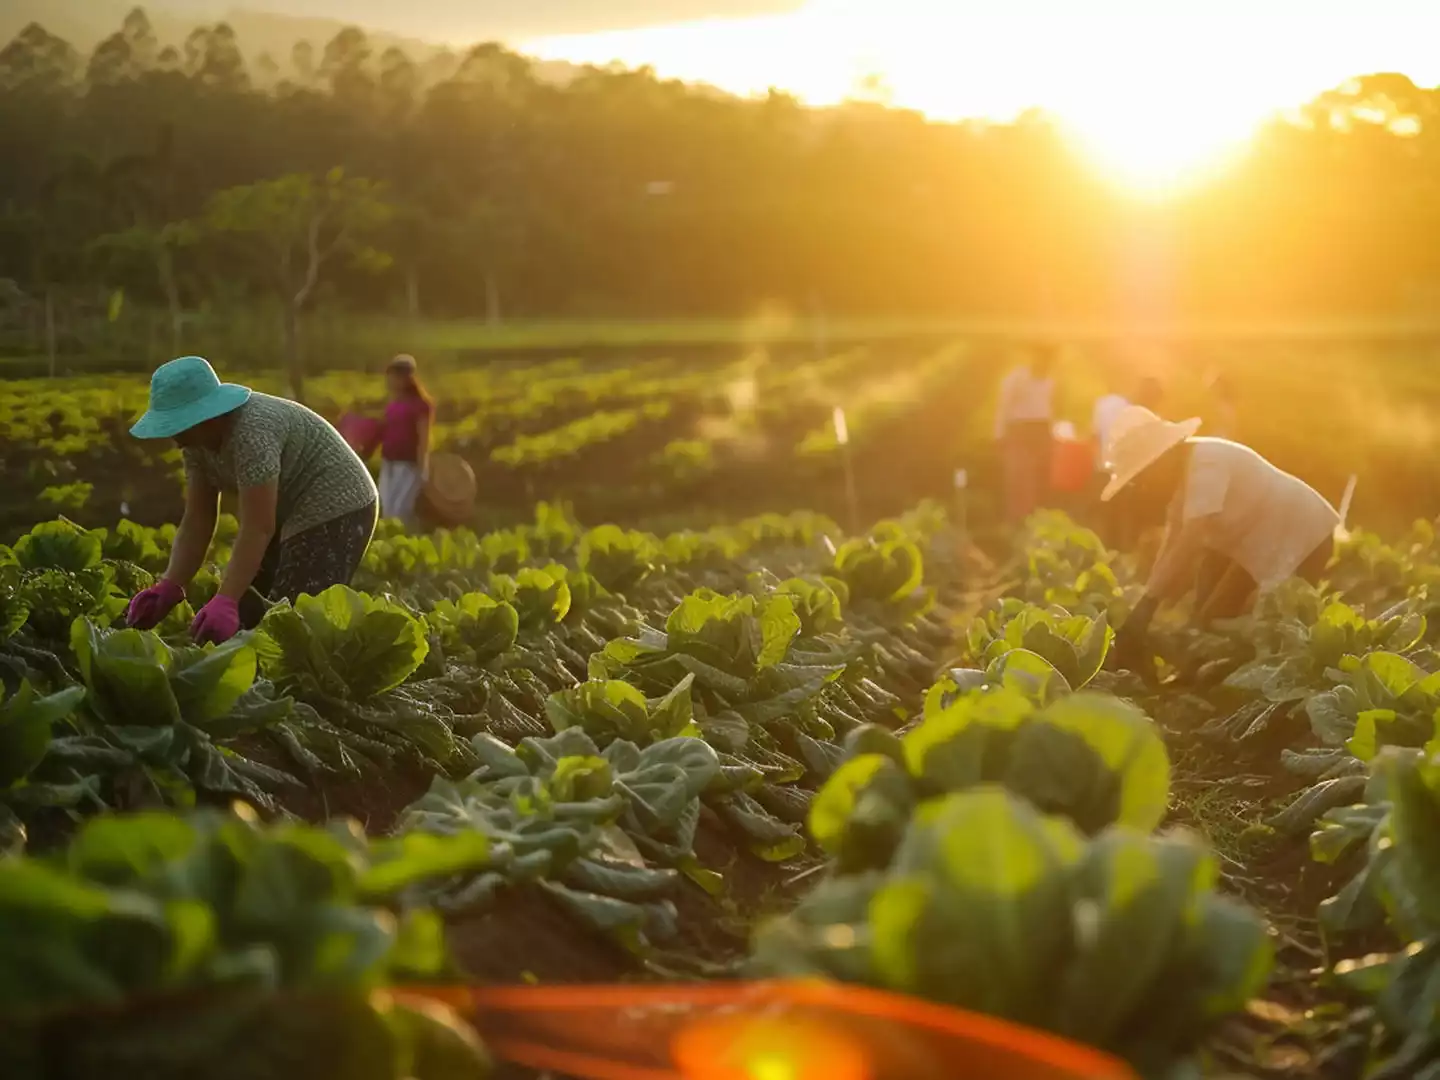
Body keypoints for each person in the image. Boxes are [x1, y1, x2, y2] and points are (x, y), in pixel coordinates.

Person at [124, 356, 379, 643]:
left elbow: (258, 526)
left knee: (291, 619)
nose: (174, 437)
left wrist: (226, 599)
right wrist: (170, 584)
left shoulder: (252, 433)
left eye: (178, 426)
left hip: (338, 502)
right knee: (250, 613)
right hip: (286, 509)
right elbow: (198, 519)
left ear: (206, 415)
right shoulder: (195, 443)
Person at [1103, 405, 1340, 671]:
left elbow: (1192, 538)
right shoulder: (1180, 483)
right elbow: (1172, 543)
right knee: (1213, 617)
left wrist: (1148, 607)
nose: (1144, 484)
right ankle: (1219, 674)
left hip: (1304, 534)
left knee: (1286, 632)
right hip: (1261, 543)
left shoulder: (1207, 462)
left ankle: (1288, 692)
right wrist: (1148, 602)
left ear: (1162, 457)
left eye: (1143, 474)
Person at [994, 346, 1057, 524]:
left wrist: (1051, 434)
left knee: (1039, 480)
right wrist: (999, 434)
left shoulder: (1049, 381)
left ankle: (1035, 521)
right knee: (1018, 479)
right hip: (1020, 430)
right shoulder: (1016, 379)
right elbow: (1003, 407)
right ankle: (1015, 521)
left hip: (1041, 430)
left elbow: (1049, 408)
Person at [377, 354, 434, 528]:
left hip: (408, 464)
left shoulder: (421, 404)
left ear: (407, 378)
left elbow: (424, 436)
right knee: (386, 508)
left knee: (400, 510)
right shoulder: (393, 403)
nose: (392, 381)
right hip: (389, 461)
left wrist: (423, 466)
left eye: (395, 377)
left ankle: (409, 538)